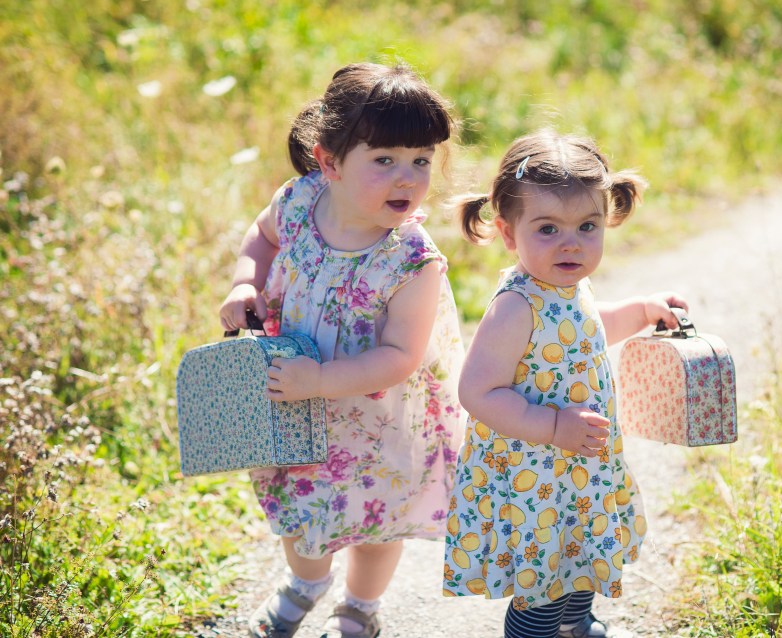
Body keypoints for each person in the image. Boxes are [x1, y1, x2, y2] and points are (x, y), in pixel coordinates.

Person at [219, 62, 464, 638]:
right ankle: (304, 583)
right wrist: (244, 283)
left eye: (420, 161)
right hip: (294, 405)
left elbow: (402, 355)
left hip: (376, 423)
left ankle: (360, 607)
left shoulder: (412, 260)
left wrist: (321, 380)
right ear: (328, 161)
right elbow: (261, 235)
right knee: (300, 514)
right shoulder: (300, 202)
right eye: (384, 161)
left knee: (378, 525)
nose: (407, 179)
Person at [442, 130, 688, 638]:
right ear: (509, 234)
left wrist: (643, 311)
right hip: (536, 470)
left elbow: (591, 331)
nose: (571, 242)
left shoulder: (572, 286)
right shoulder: (517, 306)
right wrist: (552, 426)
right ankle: (547, 628)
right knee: (543, 585)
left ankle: (577, 625)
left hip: (577, 467)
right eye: (548, 228)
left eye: (587, 225)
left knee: (579, 555)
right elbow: (477, 392)